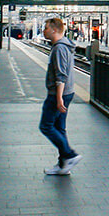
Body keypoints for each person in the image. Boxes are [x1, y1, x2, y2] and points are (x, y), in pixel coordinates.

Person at [41, 17, 82, 175]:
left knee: (46, 126)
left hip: (59, 94)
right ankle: (63, 165)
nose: (44, 31)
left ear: (53, 29)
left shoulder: (59, 48)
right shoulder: (63, 46)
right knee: (59, 127)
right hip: (66, 92)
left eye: (45, 28)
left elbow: (61, 75)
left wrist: (58, 98)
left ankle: (70, 155)